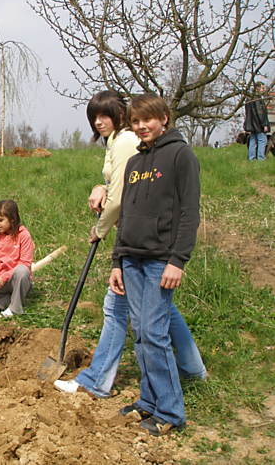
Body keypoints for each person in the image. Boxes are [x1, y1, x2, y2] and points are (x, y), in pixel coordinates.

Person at [54, 90, 206, 399]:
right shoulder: (126, 146)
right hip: (134, 244)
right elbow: (118, 184)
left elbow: (123, 198)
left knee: (115, 309)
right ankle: (193, 369)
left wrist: (101, 229)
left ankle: (98, 381)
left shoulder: (131, 144)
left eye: (105, 115)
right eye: (94, 116)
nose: (99, 121)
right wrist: (101, 187)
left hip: (147, 245)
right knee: (161, 309)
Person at [108, 94, 201, 436]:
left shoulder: (181, 156)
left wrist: (178, 260)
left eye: (147, 119)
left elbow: (190, 213)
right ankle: (148, 401)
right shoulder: (134, 163)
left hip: (160, 261)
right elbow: (126, 216)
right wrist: (117, 260)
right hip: (131, 258)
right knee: (140, 333)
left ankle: (171, 412)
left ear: (164, 118)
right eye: (135, 122)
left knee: (154, 334)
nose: (142, 126)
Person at [244, 82, 271, 160]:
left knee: (253, 141)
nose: (263, 89)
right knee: (262, 140)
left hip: (252, 125)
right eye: (262, 88)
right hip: (258, 124)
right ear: (257, 88)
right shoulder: (257, 99)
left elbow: (248, 113)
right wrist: (264, 124)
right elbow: (260, 113)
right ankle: (261, 158)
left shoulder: (248, 98)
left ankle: (251, 158)